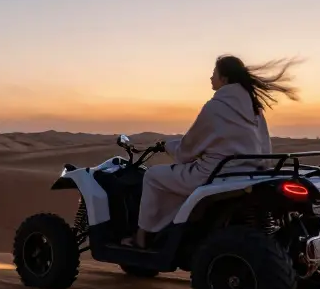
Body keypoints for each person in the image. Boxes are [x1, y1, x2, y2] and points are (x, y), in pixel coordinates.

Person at [121, 54, 300, 249]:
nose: (210, 77)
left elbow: (186, 151)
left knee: (153, 176)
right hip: (247, 172)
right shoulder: (254, 108)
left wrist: (167, 145)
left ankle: (141, 237)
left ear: (224, 78)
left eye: (214, 73)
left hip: (213, 173)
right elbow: (263, 145)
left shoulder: (216, 107)